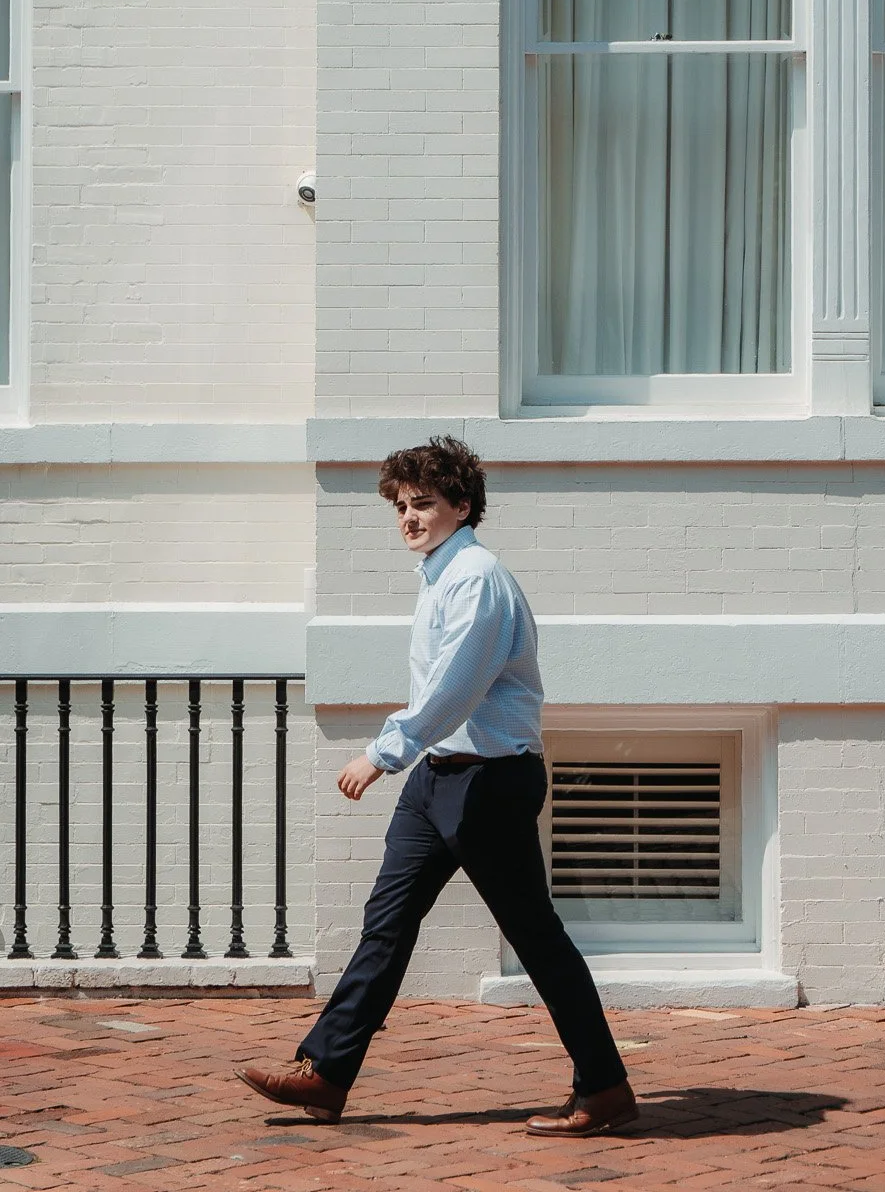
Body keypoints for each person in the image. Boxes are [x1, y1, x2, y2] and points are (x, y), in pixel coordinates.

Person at [236, 435, 636, 1137]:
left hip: (488, 780)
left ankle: (603, 1089)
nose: (409, 517)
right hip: (441, 777)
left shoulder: (477, 579)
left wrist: (385, 753)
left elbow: (456, 687)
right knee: (384, 928)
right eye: (400, 505)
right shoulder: (441, 575)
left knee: (536, 940)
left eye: (423, 503)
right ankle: (326, 1075)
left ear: (461, 505)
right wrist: (413, 760)